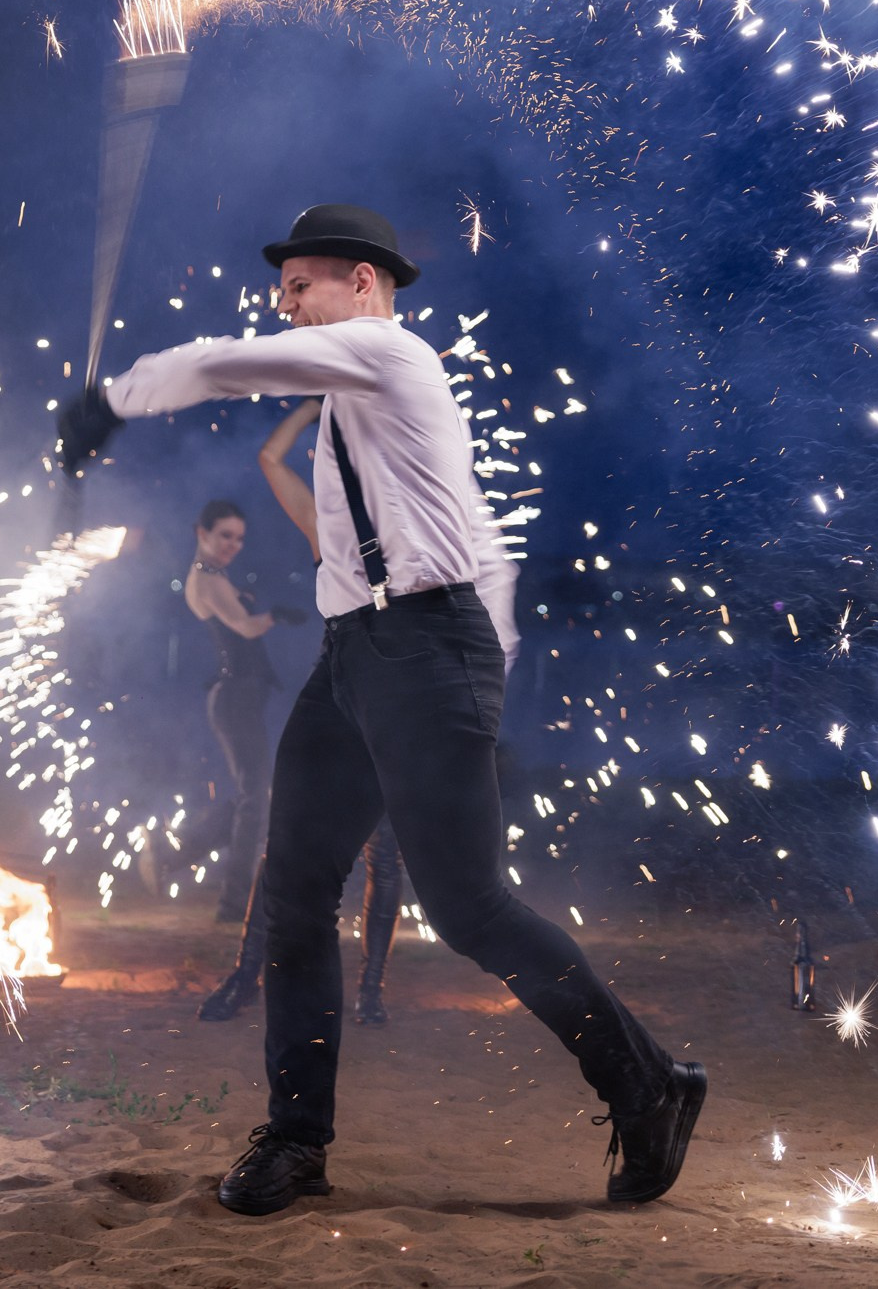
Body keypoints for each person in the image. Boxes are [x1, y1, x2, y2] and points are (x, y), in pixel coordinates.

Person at [59, 202, 705, 1214]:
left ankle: (649, 1084)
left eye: (301, 284)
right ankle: (297, 1138)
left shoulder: (388, 353)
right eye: (281, 289)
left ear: (365, 284)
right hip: (355, 653)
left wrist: (116, 398)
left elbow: (232, 364)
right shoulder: (353, 407)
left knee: (466, 907)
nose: (285, 303)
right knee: (295, 887)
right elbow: (444, 538)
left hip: (422, 651)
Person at [200, 400, 406, 1028]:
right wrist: (315, 407)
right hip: (335, 693)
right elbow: (269, 457)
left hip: (397, 701)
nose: (325, 464)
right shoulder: (324, 524)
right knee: (283, 843)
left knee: (385, 855)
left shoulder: (409, 524)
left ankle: (371, 990)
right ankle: (245, 975)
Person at [182, 498, 300, 927]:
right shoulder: (206, 578)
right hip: (234, 698)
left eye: (239, 538)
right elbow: (247, 628)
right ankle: (233, 907)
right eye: (225, 535)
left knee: (254, 796)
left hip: (240, 696)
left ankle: (177, 853)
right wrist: (274, 615)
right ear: (203, 533)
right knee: (256, 800)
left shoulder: (215, 576)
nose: (234, 545)